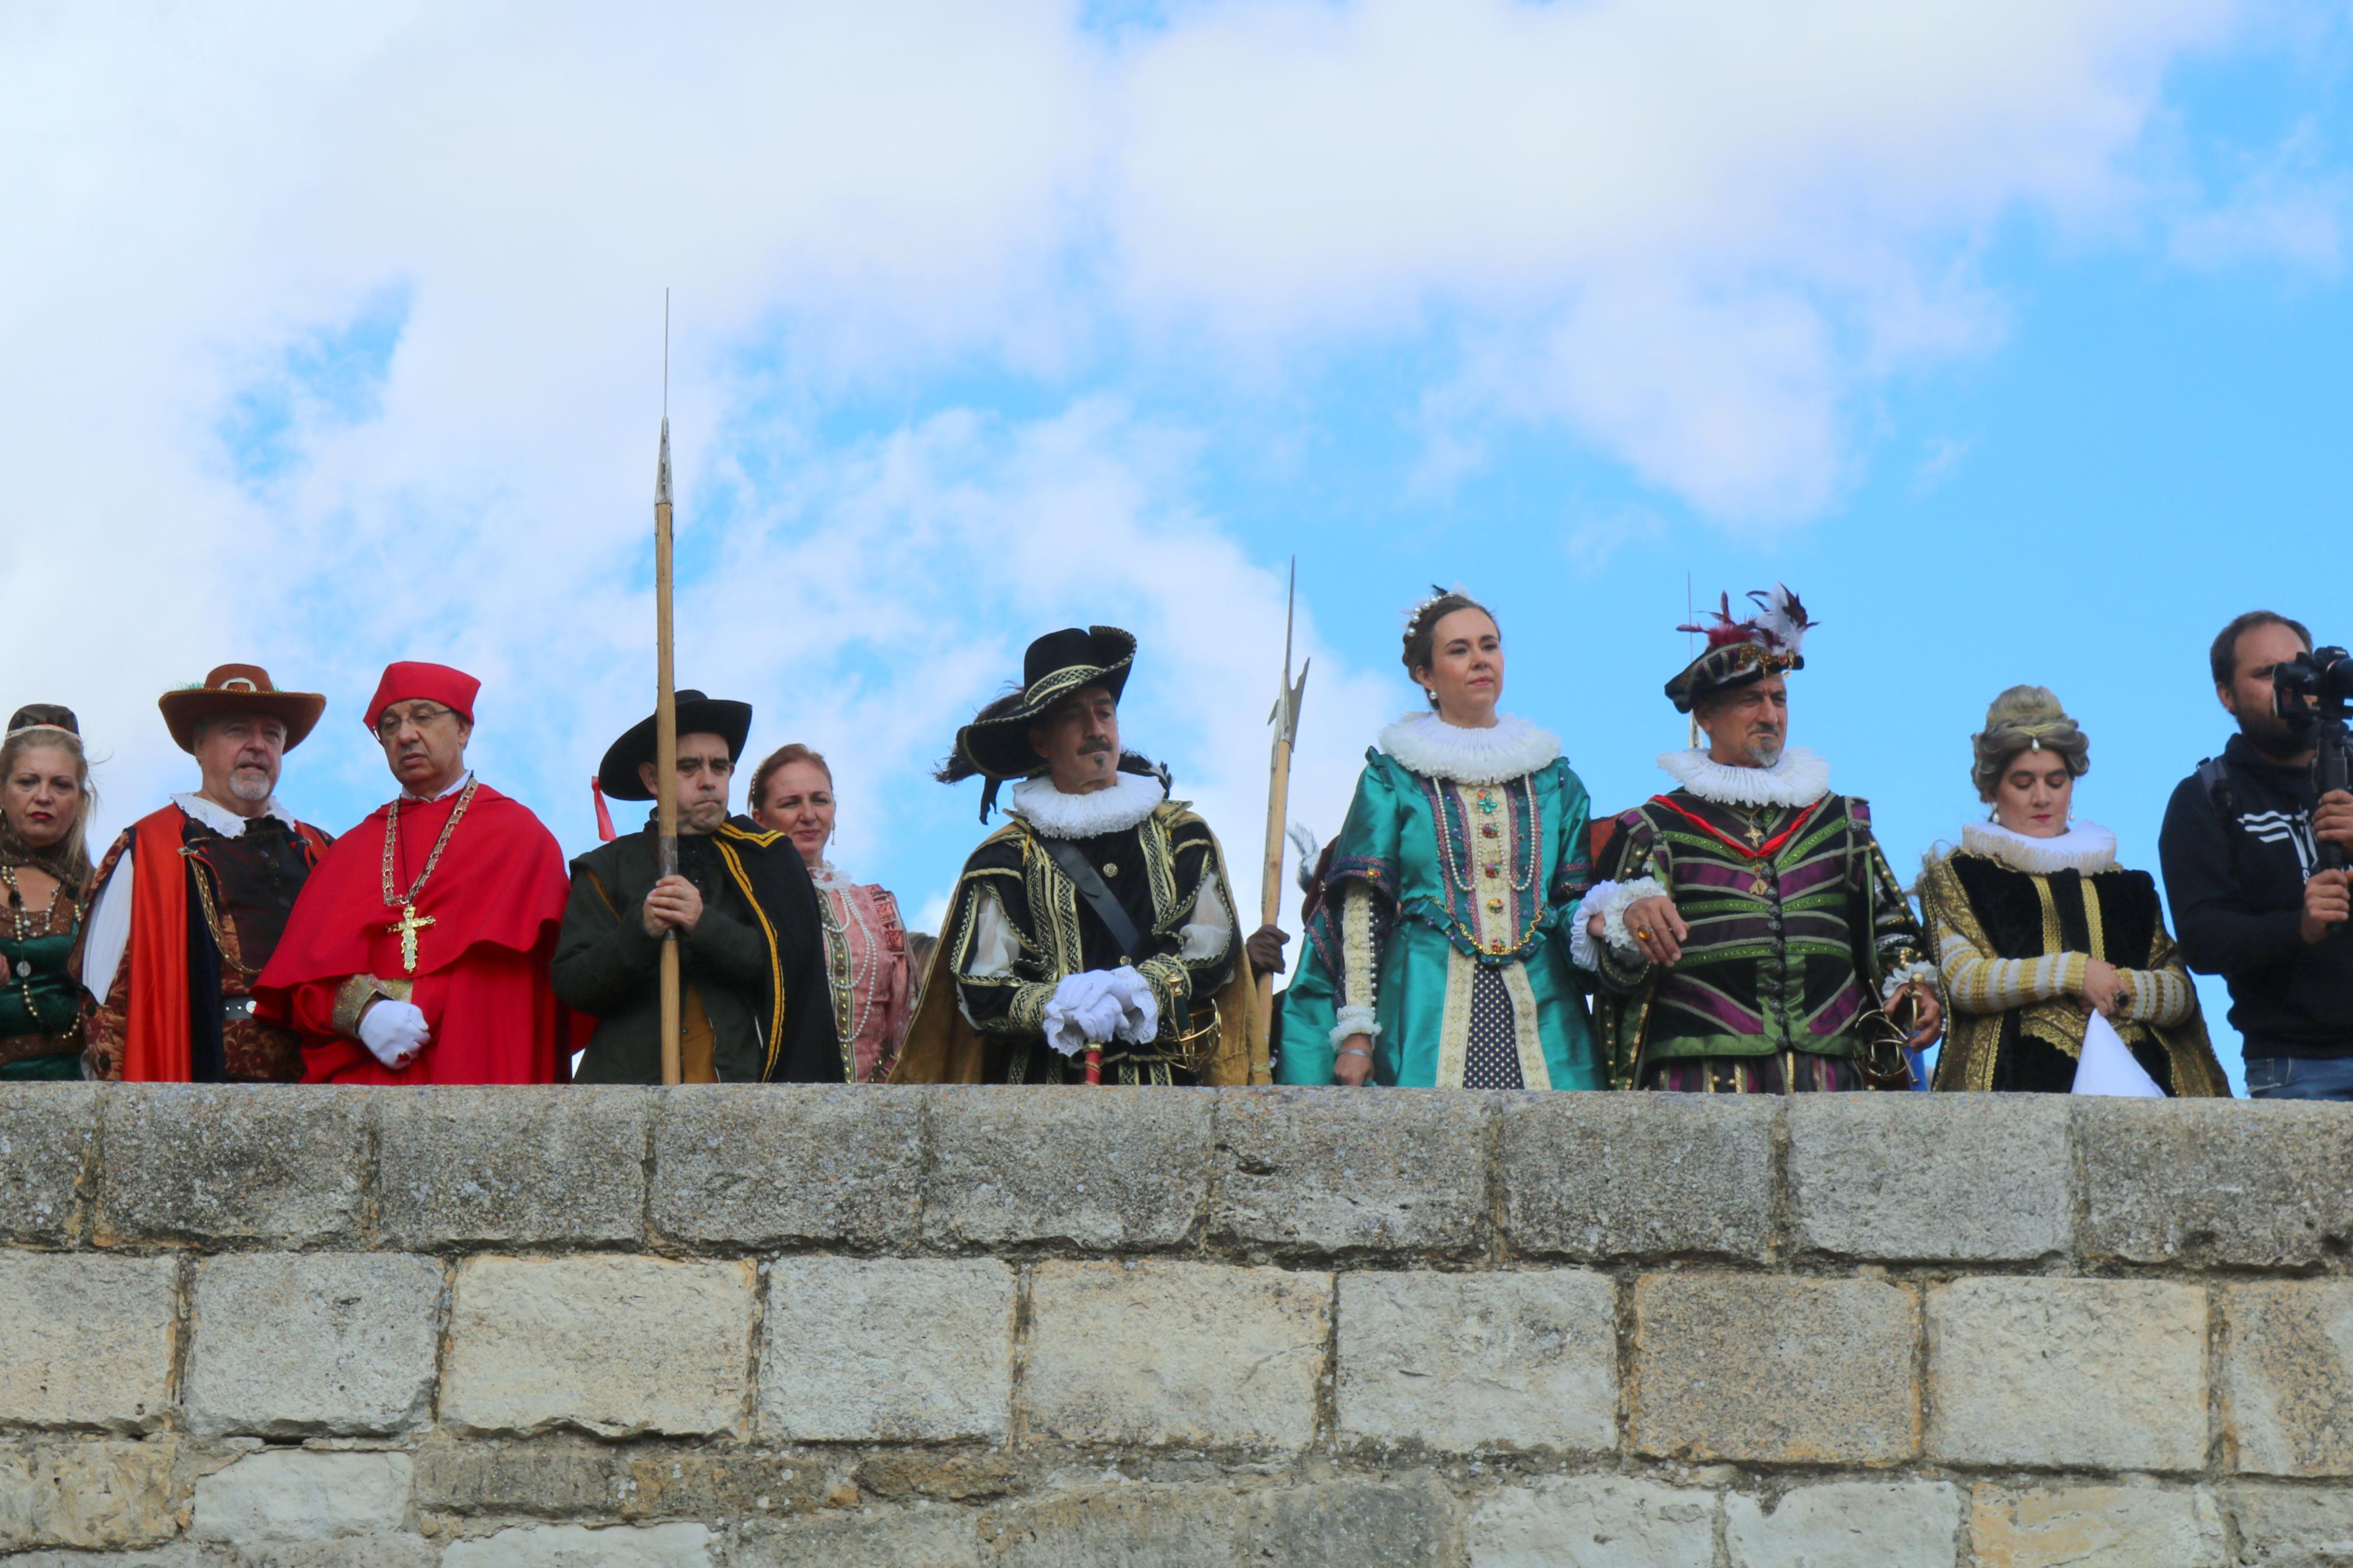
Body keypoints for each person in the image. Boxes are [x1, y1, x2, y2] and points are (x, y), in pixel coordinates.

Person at [1582, 586, 1943, 1091]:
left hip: (1833, 1074)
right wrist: (1627, 926)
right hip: (1696, 1080)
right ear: (1705, 716)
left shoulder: (1840, 821)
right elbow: (1616, 976)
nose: (1770, 716)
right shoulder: (1653, 828)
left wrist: (1912, 981)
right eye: (1750, 699)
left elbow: (1891, 929)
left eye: (1778, 698)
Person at [893, 626, 1266, 1085]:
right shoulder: (1005, 858)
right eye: (1074, 716)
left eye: (1104, 712)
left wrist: (1136, 988)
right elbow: (980, 989)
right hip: (1041, 1104)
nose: (1095, 730)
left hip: (1169, 1097)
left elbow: (1212, 948)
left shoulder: (1181, 835)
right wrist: (1055, 1005)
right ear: (1041, 743)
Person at [1276, 588, 1604, 1089]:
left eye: (1489, 645)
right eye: (1459, 649)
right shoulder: (1392, 776)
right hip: (1424, 1004)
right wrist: (1357, 1035)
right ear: (1424, 676)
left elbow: (1571, 904)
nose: (1480, 660)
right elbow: (1362, 908)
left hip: (1545, 1008)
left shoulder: (1555, 781)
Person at [254, 662, 574, 1084]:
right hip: (370, 1086)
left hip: (480, 1067)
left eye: (423, 716)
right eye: (390, 725)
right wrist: (365, 1012)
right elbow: (303, 985)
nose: (405, 734)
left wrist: (429, 1002)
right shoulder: (349, 851)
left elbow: (548, 987)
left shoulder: (521, 838)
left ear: (463, 730)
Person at [1918, 687, 2226, 1095]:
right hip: (2011, 1096)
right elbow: (1963, 980)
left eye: (2055, 780)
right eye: (2023, 782)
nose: (2042, 797)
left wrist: (2122, 990)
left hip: (2132, 1094)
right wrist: (2073, 973)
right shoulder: (1960, 876)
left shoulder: (2125, 886)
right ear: (1992, 791)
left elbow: (2181, 992)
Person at [555, 694, 835, 1083]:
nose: (708, 780)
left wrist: (704, 924)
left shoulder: (766, 858)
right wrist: (640, 930)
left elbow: (791, 971)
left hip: (741, 1093)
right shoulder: (607, 867)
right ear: (653, 778)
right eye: (688, 767)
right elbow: (573, 984)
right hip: (628, 1098)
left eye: (719, 767)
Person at [75, 667, 333, 1083]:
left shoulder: (321, 850)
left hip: (318, 1080)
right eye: (237, 730)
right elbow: (105, 1003)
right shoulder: (145, 848)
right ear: (199, 744)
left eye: (271, 734)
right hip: (196, 1082)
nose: (256, 745)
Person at [2160, 610, 2353, 1097]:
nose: (2289, 685)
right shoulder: (2206, 796)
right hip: (2299, 1068)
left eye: (2299, 668)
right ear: (2225, 694)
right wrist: (2299, 927)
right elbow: (2202, 940)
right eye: (2266, 673)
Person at [746, 742, 911, 1082]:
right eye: (791, 803)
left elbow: (906, 1020)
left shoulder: (877, 905)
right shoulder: (748, 903)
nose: (809, 815)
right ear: (759, 820)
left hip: (880, 1110)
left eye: (820, 800)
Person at [1, 707, 97, 1079]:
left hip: (85, 1102)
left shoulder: (105, 890)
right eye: (27, 782)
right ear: (2, 791)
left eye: (61, 785)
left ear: (79, 799)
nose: (44, 796)